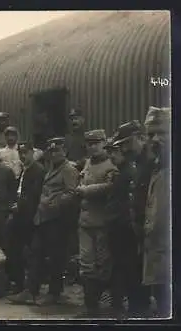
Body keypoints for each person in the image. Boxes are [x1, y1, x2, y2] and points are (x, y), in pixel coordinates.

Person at [8, 137, 79, 306]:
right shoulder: (50, 168)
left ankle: (54, 293)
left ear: (65, 151)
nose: (54, 154)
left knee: (56, 258)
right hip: (43, 219)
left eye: (57, 151)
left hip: (58, 220)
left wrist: (54, 203)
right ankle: (30, 291)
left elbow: (72, 193)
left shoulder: (68, 169)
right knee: (36, 253)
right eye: (51, 151)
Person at [111, 120, 156, 317]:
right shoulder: (136, 162)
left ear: (141, 138)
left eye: (127, 143)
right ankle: (138, 310)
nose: (124, 149)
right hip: (135, 228)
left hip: (151, 228)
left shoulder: (153, 162)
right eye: (121, 146)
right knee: (133, 272)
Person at [73, 129, 118, 317]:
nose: (92, 147)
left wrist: (85, 190)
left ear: (103, 143)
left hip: (102, 222)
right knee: (86, 263)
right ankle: (90, 305)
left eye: (96, 143)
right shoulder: (87, 163)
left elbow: (110, 186)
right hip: (85, 222)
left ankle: (104, 303)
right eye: (89, 144)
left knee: (103, 264)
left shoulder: (111, 165)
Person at [105, 137, 139, 318]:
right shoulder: (119, 172)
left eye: (115, 152)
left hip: (124, 228)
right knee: (119, 266)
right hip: (116, 227)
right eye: (109, 152)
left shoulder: (128, 173)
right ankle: (118, 303)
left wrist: (119, 220)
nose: (111, 156)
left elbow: (128, 203)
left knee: (128, 266)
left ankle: (132, 306)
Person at [142, 107, 171, 318]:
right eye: (151, 134)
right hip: (159, 247)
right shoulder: (158, 164)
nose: (155, 138)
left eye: (162, 132)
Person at [5, 141, 45, 295]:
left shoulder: (38, 170)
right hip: (19, 217)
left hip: (30, 217)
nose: (23, 155)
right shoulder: (23, 169)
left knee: (32, 254)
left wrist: (19, 205)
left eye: (25, 152)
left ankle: (31, 289)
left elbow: (34, 195)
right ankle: (19, 284)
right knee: (15, 251)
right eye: (20, 153)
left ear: (32, 152)